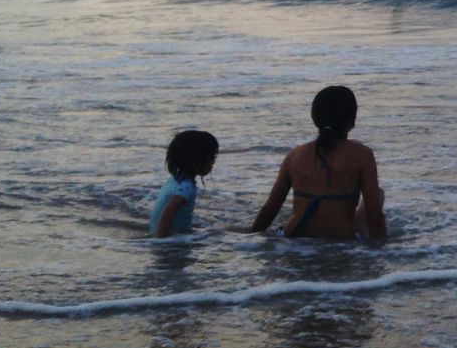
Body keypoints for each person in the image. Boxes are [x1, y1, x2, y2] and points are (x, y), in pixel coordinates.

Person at [248, 86, 387, 242]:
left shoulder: (294, 156)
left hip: (294, 238)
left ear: (315, 119)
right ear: (353, 121)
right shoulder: (362, 155)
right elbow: (374, 215)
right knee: (378, 194)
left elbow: (270, 208)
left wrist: (251, 237)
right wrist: (381, 252)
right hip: (341, 239)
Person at [150, 129, 219, 238]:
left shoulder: (174, 180)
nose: (212, 163)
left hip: (160, 233)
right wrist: (160, 243)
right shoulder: (187, 187)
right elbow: (167, 216)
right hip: (173, 241)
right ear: (196, 160)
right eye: (211, 158)